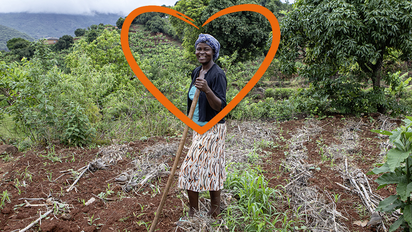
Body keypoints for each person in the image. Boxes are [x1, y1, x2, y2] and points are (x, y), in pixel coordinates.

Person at [177, 33, 227, 218]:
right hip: (197, 129)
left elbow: (220, 107)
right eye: (199, 48)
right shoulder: (196, 71)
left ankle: (197, 213)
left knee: (191, 168)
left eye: (206, 48)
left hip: (213, 129)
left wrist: (207, 89)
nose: (201, 52)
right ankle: (207, 213)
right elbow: (194, 102)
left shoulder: (218, 74)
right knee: (210, 168)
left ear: (213, 51)